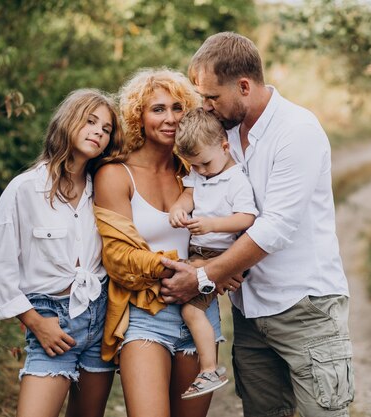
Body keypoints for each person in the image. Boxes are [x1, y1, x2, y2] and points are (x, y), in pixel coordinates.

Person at [160, 32, 355, 417]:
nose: (206, 106)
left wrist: (203, 277)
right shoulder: (224, 133)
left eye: (212, 97)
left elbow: (275, 228)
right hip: (250, 313)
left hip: (305, 307)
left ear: (244, 86)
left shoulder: (296, 130)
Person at [92, 68, 243, 417]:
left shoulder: (196, 171)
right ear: (138, 117)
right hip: (146, 313)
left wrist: (225, 267)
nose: (170, 118)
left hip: (200, 310)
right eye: (157, 109)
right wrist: (180, 269)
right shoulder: (115, 174)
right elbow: (116, 256)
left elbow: (235, 224)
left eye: (178, 108)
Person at [0, 89, 123, 417]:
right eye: (90, 121)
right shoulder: (26, 188)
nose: (99, 131)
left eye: (107, 128)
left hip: (101, 318)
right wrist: (35, 322)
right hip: (51, 321)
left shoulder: (104, 189)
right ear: (67, 121)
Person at [168, 108, 258, 399]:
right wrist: (179, 208)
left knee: (191, 308)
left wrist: (212, 224)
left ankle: (209, 369)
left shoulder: (236, 180)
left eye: (205, 163)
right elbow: (188, 195)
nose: (202, 170)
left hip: (220, 256)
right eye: (195, 166)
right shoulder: (199, 172)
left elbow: (247, 218)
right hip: (197, 252)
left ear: (224, 146)